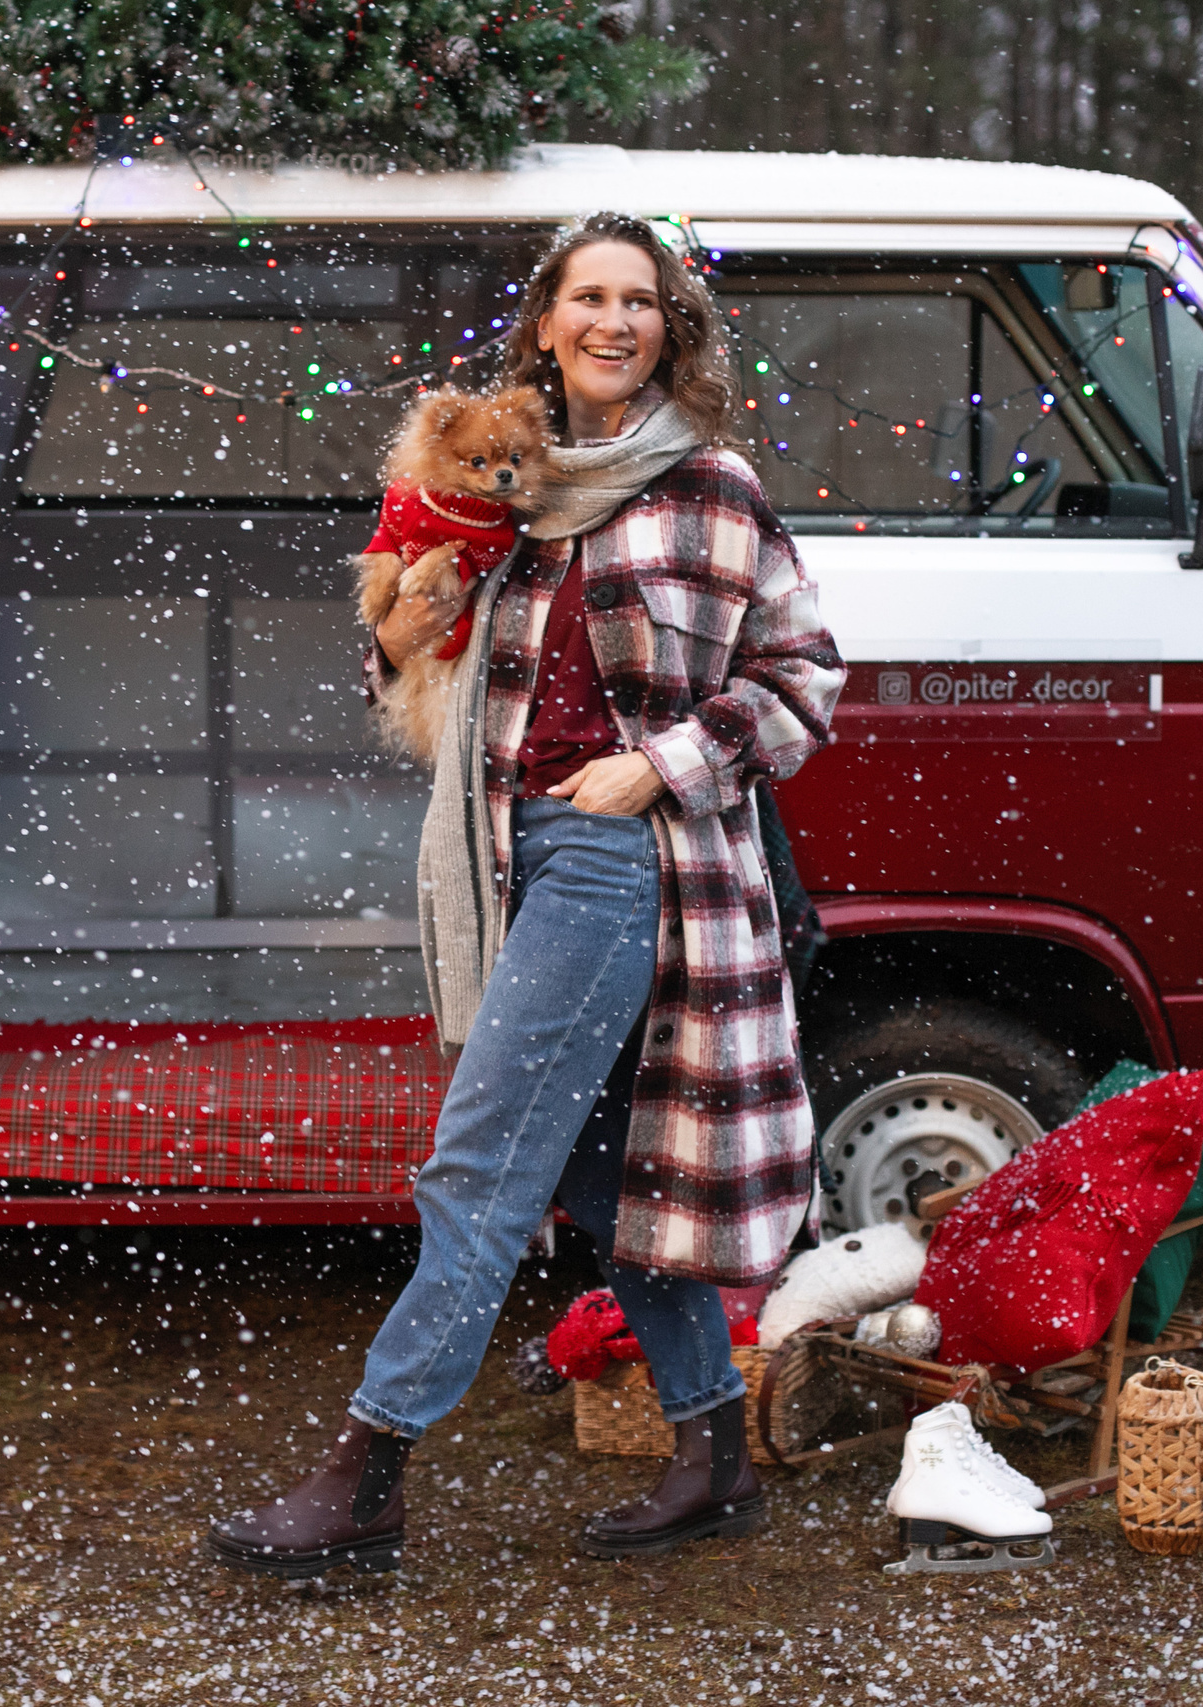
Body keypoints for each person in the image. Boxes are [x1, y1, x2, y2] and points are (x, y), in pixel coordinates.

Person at [209, 213, 847, 1577]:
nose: (616, 322)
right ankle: (716, 1455)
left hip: (628, 862)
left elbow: (804, 685)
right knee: (595, 1168)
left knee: (479, 1164)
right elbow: (424, 681)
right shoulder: (503, 489)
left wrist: (655, 767)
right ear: (547, 324)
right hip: (513, 862)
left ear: (670, 328)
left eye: (642, 302)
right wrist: (395, 633)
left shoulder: (711, 490)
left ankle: (369, 1473)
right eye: (590, 299)